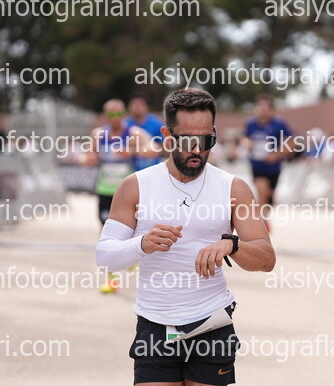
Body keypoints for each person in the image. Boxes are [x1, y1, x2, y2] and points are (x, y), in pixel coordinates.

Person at [96, 88, 275, 386]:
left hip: (212, 321)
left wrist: (231, 245)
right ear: (168, 136)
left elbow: (266, 259)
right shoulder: (135, 186)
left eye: (206, 141)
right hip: (155, 323)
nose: (197, 151)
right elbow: (105, 257)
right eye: (188, 140)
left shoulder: (233, 188)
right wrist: (141, 244)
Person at [84, 98, 157, 293]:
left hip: (128, 192)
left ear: (124, 114)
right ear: (105, 115)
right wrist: (90, 158)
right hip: (105, 190)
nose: (114, 117)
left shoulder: (133, 133)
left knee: (132, 229)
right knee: (105, 233)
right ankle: (111, 280)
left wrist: (133, 151)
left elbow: (154, 150)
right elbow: (87, 156)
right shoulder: (99, 134)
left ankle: (131, 257)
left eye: (118, 113)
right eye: (110, 114)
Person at [243, 94, 294, 229]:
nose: (262, 110)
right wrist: (247, 143)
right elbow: (244, 138)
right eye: (260, 106)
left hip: (274, 167)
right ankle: (261, 222)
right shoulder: (250, 123)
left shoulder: (279, 124)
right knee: (261, 189)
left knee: (268, 196)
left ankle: (265, 214)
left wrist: (277, 154)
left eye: (266, 107)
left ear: (271, 110)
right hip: (257, 165)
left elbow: (292, 142)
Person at [125, 91, 165, 171]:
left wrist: (146, 150)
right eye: (134, 103)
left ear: (147, 107)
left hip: (152, 167)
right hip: (130, 169)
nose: (137, 106)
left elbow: (163, 147)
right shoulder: (125, 124)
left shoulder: (156, 124)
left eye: (141, 104)